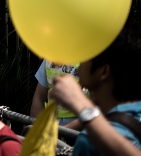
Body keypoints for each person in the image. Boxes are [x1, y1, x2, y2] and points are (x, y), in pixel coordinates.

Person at [50, 16, 141, 155]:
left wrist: (81, 105)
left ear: (103, 71)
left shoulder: (90, 143)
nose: (80, 59)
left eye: (87, 54)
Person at [30, 59, 83, 128]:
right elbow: (39, 98)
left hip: (78, 131)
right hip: (50, 125)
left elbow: (96, 110)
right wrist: (36, 129)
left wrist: (65, 130)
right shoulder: (49, 57)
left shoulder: (89, 58)